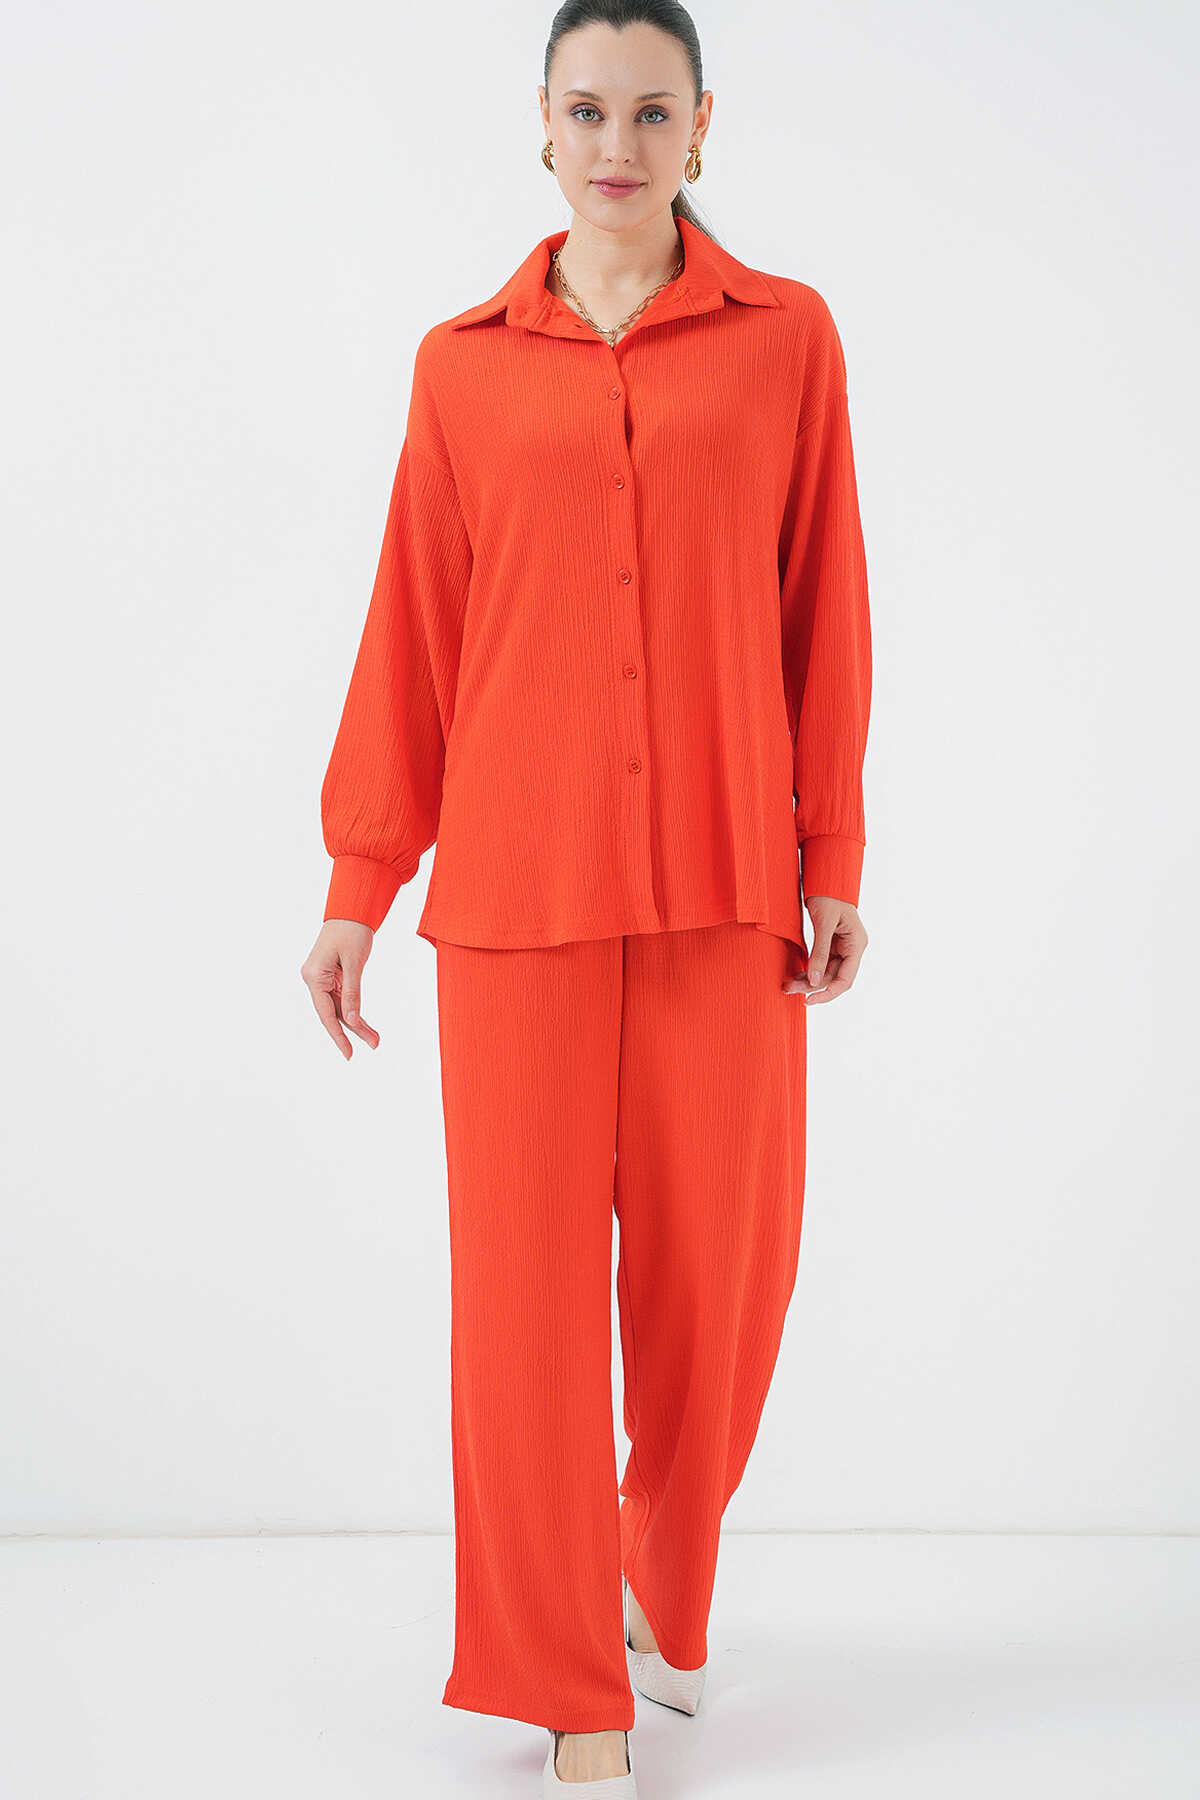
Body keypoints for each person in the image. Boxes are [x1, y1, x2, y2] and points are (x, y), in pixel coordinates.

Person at [300, 2, 872, 1791]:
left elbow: (825, 609)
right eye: (586, 110)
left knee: (727, 1285)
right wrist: (360, 878)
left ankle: (658, 1581)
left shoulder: (787, 341)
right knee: (528, 1309)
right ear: (541, 128)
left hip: (725, 884)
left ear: (703, 130)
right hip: (518, 892)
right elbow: (416, 627)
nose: (615, 144)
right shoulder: (461, 366)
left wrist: (834, 855)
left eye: (649, 111)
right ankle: (574, 1691)